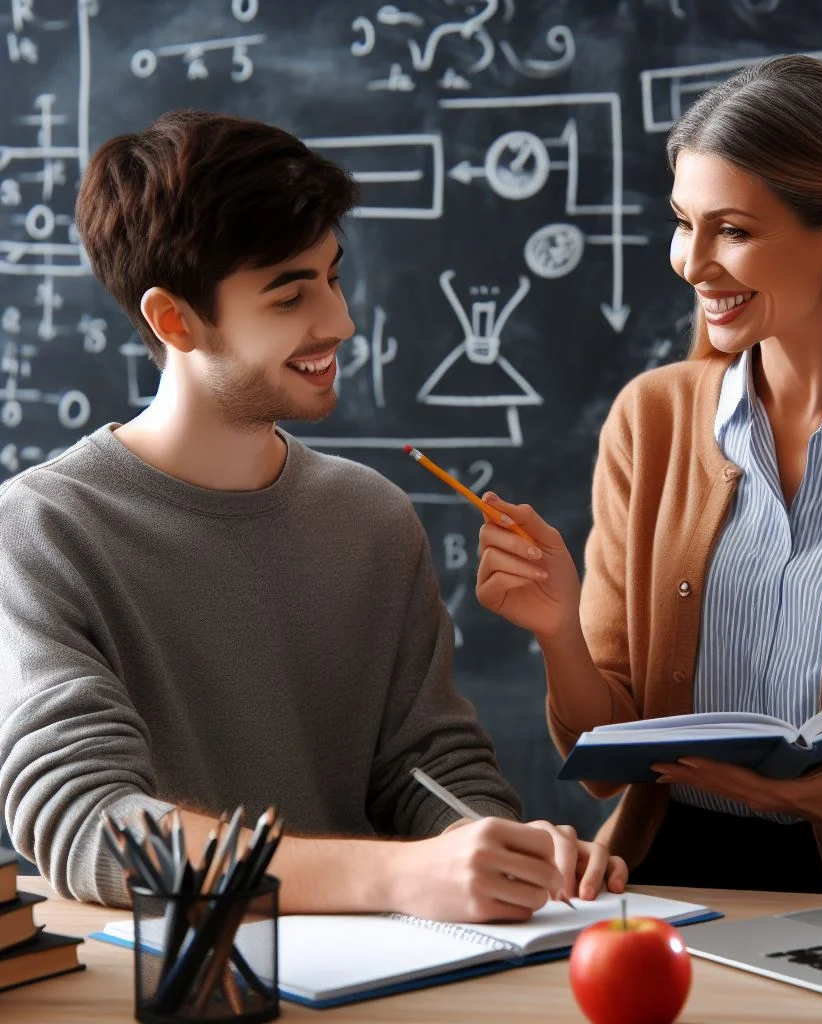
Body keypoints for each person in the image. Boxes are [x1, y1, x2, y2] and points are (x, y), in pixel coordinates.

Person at [0, 109, 627, 919]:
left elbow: (429, 768)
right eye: (291, 294)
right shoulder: (42, 527)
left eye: (333, 276)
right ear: (173, 319)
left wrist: (497, 848)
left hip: (390, 982)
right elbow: (92, 827)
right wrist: (396, 878)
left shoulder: (371, 518)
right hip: (176, 988)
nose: (340, 322)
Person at [476, 55, 822, 896]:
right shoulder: (651, 420)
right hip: (661, 887)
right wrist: (556, 628)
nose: (692, 264)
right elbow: (608, 755)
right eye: (681, 222)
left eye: (732, 230)